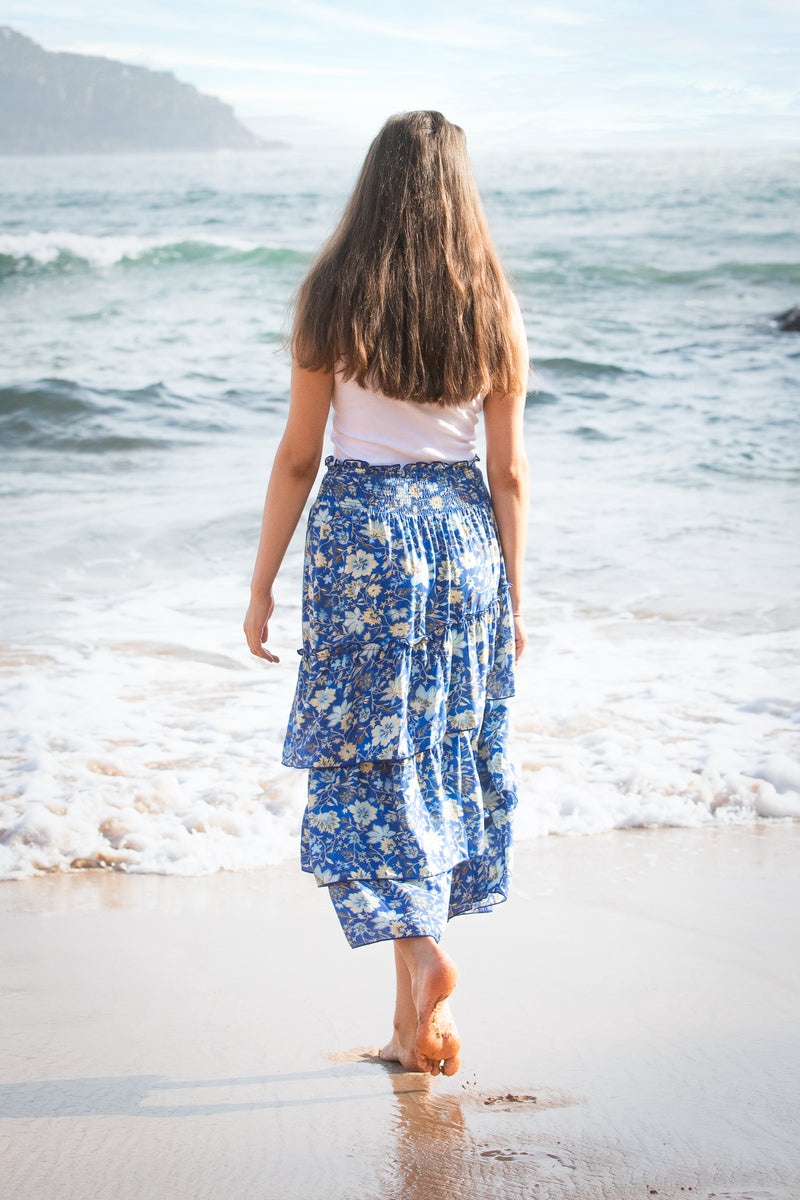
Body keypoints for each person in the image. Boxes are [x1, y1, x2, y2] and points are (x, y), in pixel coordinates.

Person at [243, 110, 529, 1079]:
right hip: (461, 544)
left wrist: (261, 586)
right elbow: (510, 476)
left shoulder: (331, 294)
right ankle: (413, 1022)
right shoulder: (488, 300)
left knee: (371, 759)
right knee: (441, 747)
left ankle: (416, 967)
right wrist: (516, 601)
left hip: (361, 535)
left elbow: (295, 457)